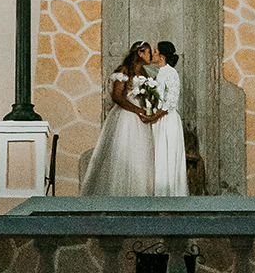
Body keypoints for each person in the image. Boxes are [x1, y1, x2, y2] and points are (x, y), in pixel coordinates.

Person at [80, 41, 158, 195]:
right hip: (127, 116)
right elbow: (117, 96)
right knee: (125, 151)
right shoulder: (123, 71)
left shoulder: (144, 72)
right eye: (148, 52)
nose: (150, 55)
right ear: (140, 53)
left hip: (140, 115)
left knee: (140, 153)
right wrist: (137, 110)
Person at [151, 40, 188, 196]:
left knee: (168, 155)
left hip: (167, 118)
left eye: (155, 51)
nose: (152, 54)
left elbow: (172, 98)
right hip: (159, 119)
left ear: (162, 56)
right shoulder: (160, 72)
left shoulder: (171, 72)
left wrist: (157, 114)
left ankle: (171, 194)